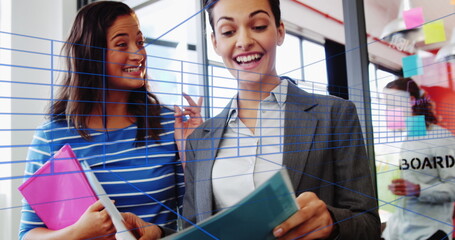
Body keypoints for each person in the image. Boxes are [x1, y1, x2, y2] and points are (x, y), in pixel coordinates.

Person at [181, 0, 381, 239]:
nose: (244, 42)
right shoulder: (199, 142)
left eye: (258, 26)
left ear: (280, 31)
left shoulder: (335, 115)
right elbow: (192, 230)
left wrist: (332, 223)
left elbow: (368, 225)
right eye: (228, 32)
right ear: (215, 42)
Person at [19, 2, 202, 240]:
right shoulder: (52, 136)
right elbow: (28, 234)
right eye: (122, 44)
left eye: (140, 42)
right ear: (91, 53)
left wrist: (191, 154)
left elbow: (198, 217)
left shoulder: (170, 125)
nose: (138, 54)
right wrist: (78, 232)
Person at [382, 78, 455, 240]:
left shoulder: (440, 137)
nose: (389, 108)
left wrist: (419, 189)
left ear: (412, 101)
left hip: (431, 233)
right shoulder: (398, 140)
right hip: (396, 232)